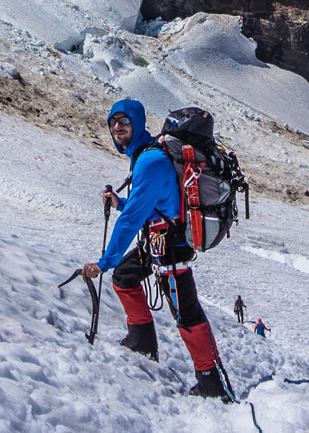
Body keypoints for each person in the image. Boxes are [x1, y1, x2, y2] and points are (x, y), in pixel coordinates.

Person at [80, 99, 231, 401]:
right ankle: (141, 342)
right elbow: (152, 204)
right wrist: (120, 203)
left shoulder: (149, 161)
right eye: (113, 122)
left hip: (171, 249)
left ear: (137, 123)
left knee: (186, 314)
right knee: (125, 277)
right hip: (158, 242)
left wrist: (104, 262)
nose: (117, 127)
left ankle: (212, 385)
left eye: (124, 121)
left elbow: (131, 221)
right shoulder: (148, 154)